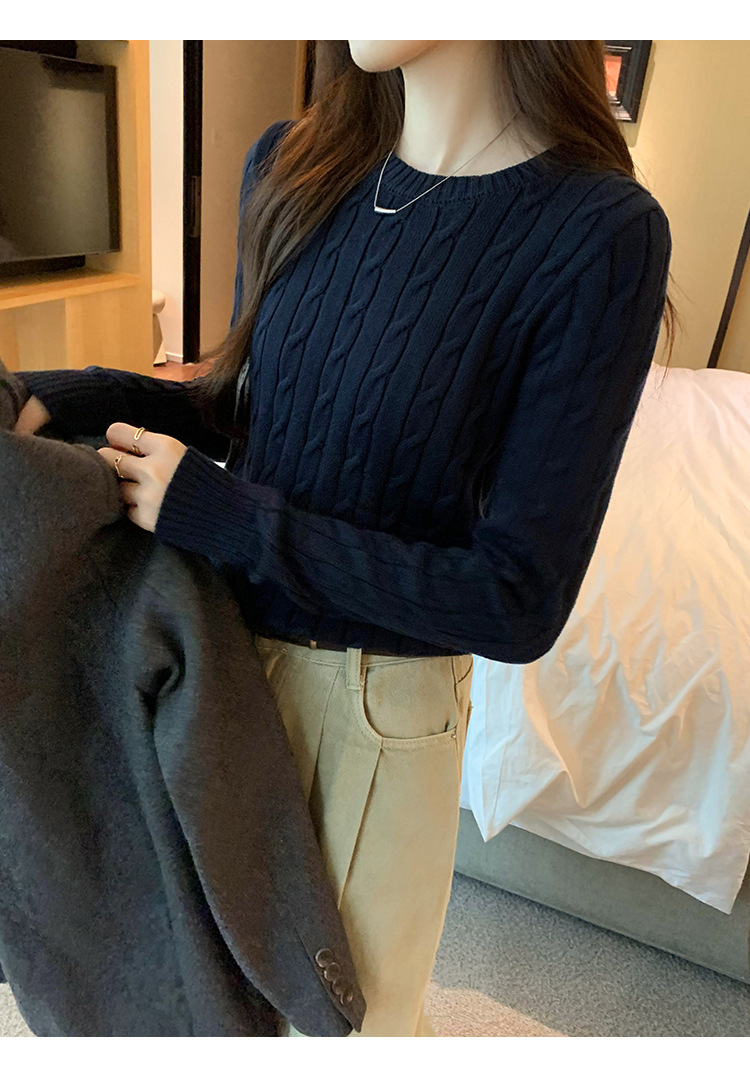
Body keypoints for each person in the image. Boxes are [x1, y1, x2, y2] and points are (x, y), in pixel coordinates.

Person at [14, 40, 675, 1036]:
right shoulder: (292, 163)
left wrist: (228, 515)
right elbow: (245, 409)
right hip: (208, 659)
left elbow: (517, 600)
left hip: (372, 707)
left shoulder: (599, 231)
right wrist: (53, 396)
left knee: (342, 1032)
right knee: (192, 1009)